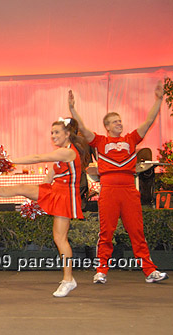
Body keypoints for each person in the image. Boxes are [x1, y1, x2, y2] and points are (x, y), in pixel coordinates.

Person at [0, 117, 90, 297]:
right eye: (51, 132)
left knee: (60, 239)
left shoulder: (68, 153)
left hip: (65, 197)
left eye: (56, 132)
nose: (53, 136)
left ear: (67, 134)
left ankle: (68, 280)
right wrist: (35, 200)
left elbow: (38, 158)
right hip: (55, 191)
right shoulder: (62, 154)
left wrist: (9, 161)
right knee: (21, 188)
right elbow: (47, 180)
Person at [68, 82, 168, 284]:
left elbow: (148, 121)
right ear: (107, 126)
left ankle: (149, 271)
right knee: (106, 232)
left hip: (129, 191)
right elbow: (84, 129)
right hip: (109, 192)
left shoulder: (131, 139)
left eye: (120, 121)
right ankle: (101, 271)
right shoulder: (100, 141)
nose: (119, 124)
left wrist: (158, 99)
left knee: (137, 232)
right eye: (114, 122)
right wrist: (72, 109)